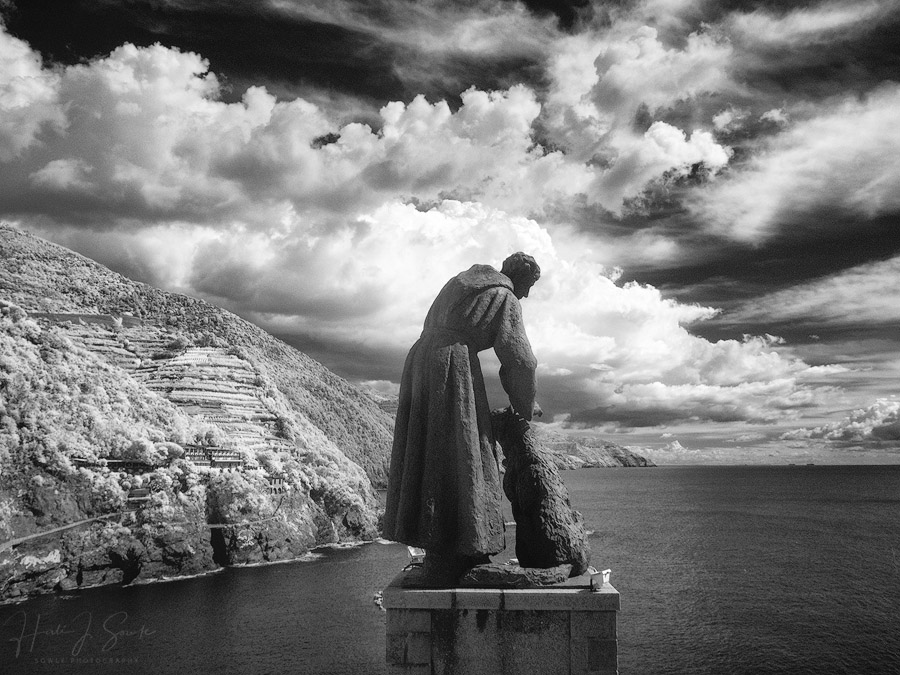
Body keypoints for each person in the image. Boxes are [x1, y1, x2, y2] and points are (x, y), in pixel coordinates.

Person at [383, 252, 541, 585]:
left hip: (421, 362)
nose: (526, 296)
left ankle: (439, 549)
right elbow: (520, 359)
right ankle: (463, 549)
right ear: (522, 281)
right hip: (453, 366)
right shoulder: (504, 296)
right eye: (528, 288)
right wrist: (526, 405)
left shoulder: (460, 284)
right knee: (467, 452)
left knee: (430, 454)